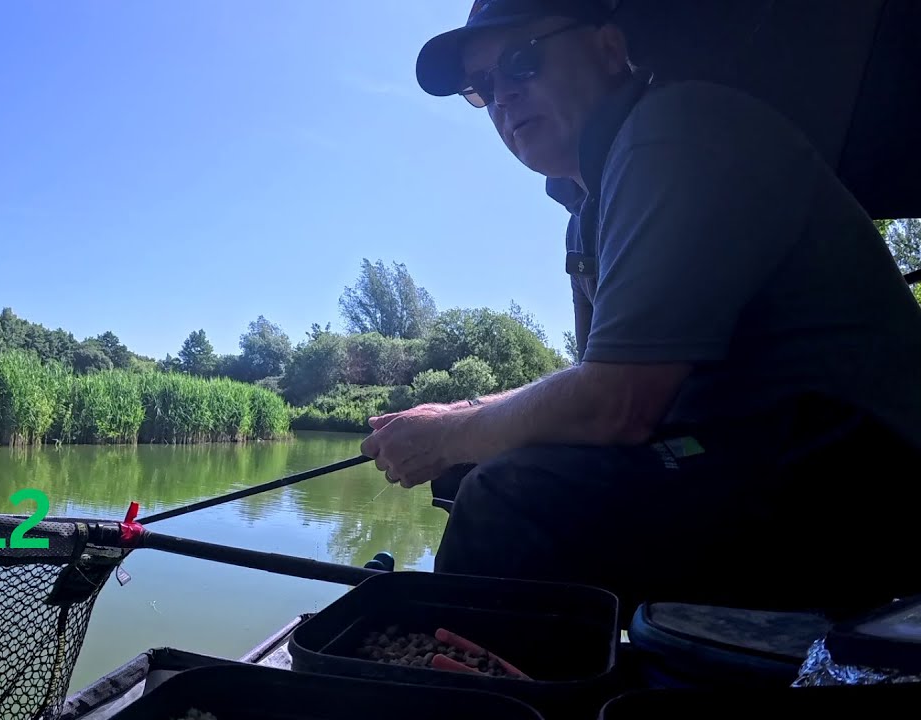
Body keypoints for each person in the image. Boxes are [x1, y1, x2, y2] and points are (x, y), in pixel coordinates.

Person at [359, 0, 921, 619]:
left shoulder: (675, 129)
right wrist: (457, 418)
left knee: (508, 498)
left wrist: (450, 432)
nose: (502, 99)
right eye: (483, 86)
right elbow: (586, 391)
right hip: (765, 456)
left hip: (866, 483)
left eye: (521, 62)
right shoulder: (588, 211)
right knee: (473, 471)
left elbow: (617, 405)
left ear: (607, 49)